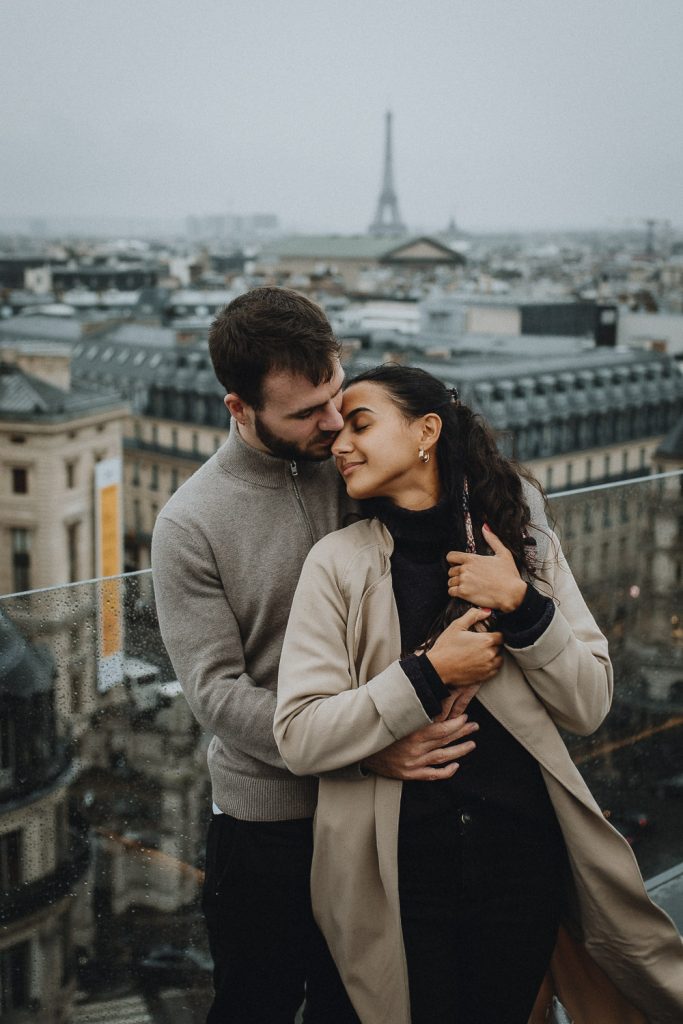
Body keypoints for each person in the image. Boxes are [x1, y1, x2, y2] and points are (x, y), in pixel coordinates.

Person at [274, 363, 683, 1024]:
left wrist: (522, 607)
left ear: (425, 431)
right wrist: (429, 673)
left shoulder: (519, 540)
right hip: (396, 869)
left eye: (360, 423)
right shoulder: (338, 562)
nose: (339, 444)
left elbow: (588, 705)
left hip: (519, 863)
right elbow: (297, 734)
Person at [151, 290, 492, 1024]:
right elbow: (215, 694)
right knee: (259, 1004)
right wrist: (367, 748)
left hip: (392, 800)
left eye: (336, 395)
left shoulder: (357, 463)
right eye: (306, 414)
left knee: (370, 1001)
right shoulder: (189, 523)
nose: (335, 425)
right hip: (272, 819)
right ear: (237, 408)